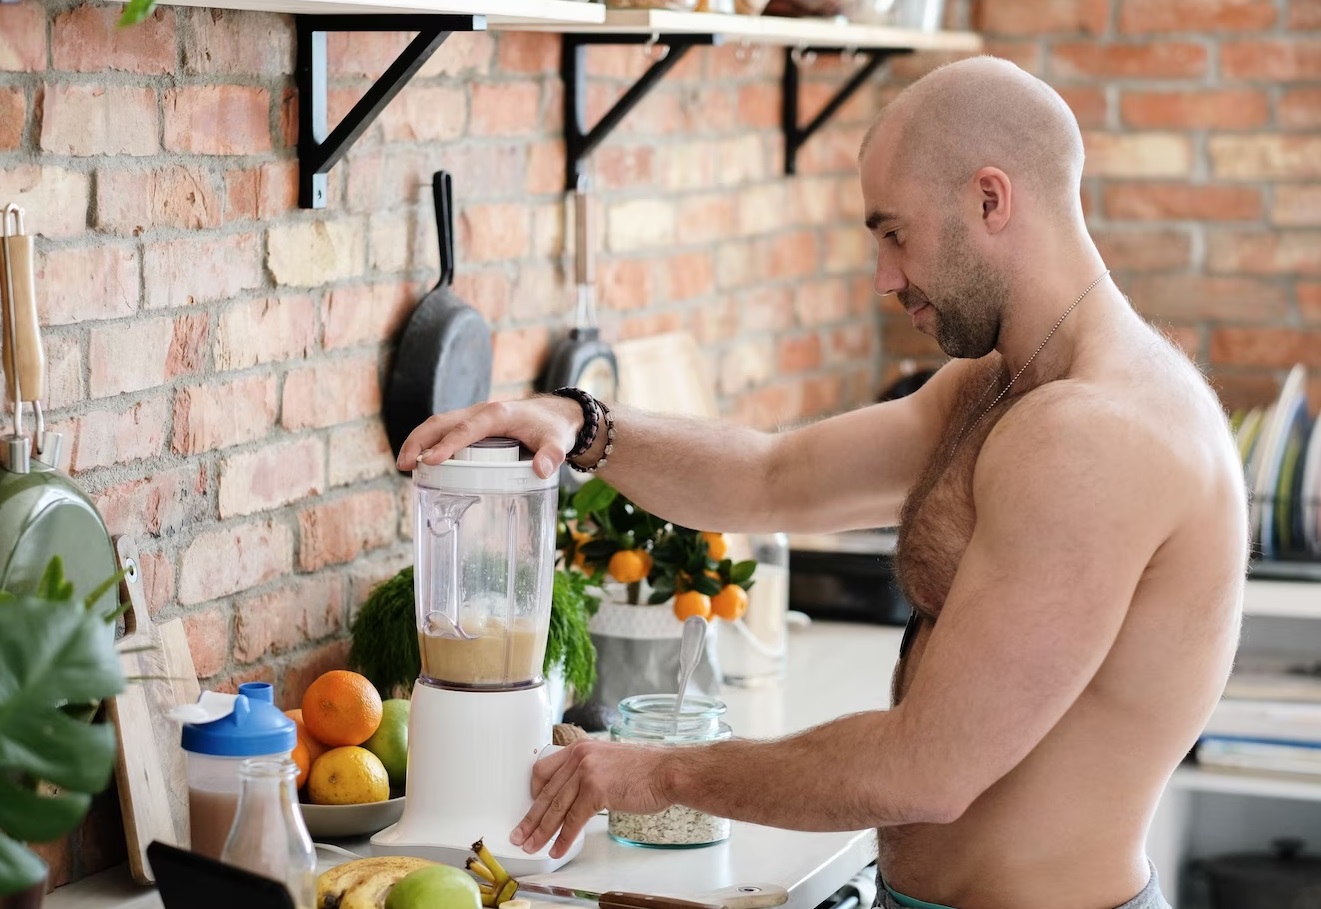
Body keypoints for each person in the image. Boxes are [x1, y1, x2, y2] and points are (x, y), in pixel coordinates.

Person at [397, 55, 1247, 909]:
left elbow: (929, 767)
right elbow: (774, 477)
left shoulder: (1096, 434)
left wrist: (659, 772)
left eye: (894, 233)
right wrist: (581, 425)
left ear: (990, 200)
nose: (884, 276)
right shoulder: (997, 385)